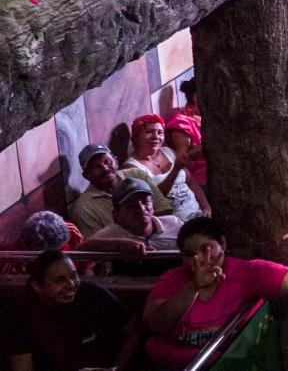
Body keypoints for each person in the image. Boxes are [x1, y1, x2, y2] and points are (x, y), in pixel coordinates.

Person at [143, 207, 288, 369]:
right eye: (190, 255)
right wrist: (194, 287)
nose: (200, 259)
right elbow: (155, 324)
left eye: (206, 249)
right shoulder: (172, 279)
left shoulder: (247, 272)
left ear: (223, 245)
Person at [6, 249, 139, 371]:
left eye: (74, 276)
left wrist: (118, 367)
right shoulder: (20, 314)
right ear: (37, 287)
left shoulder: (92, 295)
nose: (71, 285)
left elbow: (133, 328)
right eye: (60, 280)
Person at [124, 114, 209, 221]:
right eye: (149, 132)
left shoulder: (169, 152)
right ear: (136, 137)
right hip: (174, 224)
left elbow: (191, 182)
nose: (156, 136)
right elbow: (155, 200)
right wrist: (176, 169)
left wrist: (206, 207)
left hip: (198, 215)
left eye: (160, 132)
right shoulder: (131, 168)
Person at [69, 143, 164, 237]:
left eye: (107, 161)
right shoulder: (84, 208)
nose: (105, 168)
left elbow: (163, 209)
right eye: (96, 166)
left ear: (116, 161)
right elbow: (97, 246)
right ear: (86, 175)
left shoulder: (137, 175)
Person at [87, 178, 183, 253]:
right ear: (116, 215)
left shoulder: (174, 223)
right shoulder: (110, 235)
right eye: (131, 206)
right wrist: (118, 245)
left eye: (145, 202)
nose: (141, 208)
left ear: (153, 207)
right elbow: (82, 249)